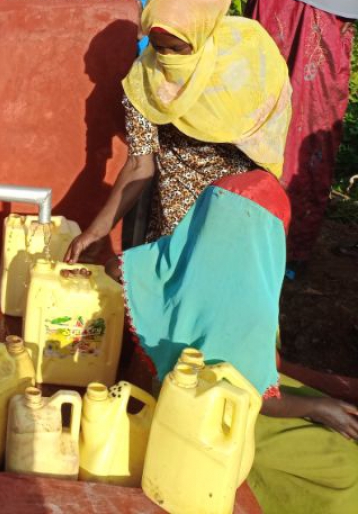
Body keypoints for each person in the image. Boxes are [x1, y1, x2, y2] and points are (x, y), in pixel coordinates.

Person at [116, 171, 358, 514]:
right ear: (272, 235)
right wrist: (318, 408)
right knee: (345, 469)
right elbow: (257, 395)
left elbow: (118, 268)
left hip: (165, 396)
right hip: (217, 417)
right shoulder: (251, 296)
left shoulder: (174, 256)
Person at [65, 0, 291, 257]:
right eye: (159, 48)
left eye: (178, 48)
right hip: (174, 215)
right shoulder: (144, 81)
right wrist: (97, 231)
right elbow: (139, 165)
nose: (168, 59)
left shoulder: (245, 61)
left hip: (233, 210)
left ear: (201, 33)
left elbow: (267, 141)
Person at [222, 0, 358, 272]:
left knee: (304, 156)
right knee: (250, 148)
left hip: (318, 73)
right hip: (264, 65)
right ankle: (239, 238)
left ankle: (289, 250)